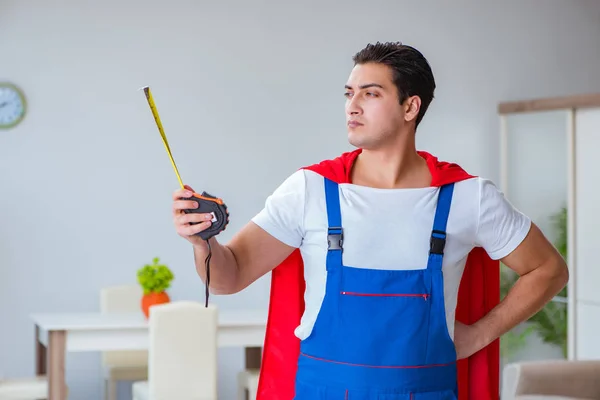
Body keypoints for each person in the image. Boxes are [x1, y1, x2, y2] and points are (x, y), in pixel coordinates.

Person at [172, 42, 569, 400]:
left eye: (371, 93)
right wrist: (203, 243)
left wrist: (478, 335)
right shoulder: (310, 190)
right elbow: (228, 277)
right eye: (349, 93)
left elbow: (549, 269)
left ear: (410, 107)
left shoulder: (467, 197)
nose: (352, 105)